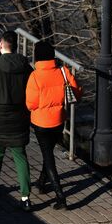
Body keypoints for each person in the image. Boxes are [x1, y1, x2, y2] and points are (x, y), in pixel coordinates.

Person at [0, 30, 34, 211]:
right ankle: (25, 196)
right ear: (16, 45)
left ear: (1, 44)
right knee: (20, 155)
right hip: (19, 116)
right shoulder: (26, 68)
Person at [26, 41, 81, 210]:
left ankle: (61, 196)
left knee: (48, 157)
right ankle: (42, 183)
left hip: (40, 123)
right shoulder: (63, 71)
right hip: (58, 120)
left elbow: (31, 104)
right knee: (48, 151)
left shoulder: (35, 76)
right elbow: (77, 92)